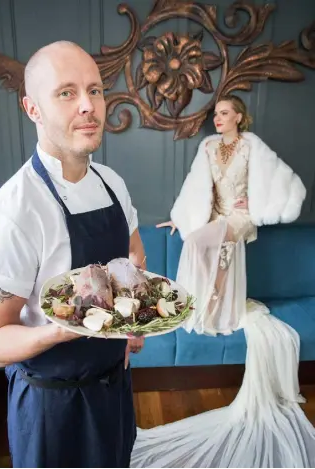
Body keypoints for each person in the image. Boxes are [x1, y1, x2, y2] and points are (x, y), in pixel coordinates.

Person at [0, 41, 145, 468]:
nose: (88, 105)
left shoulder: (113, 184)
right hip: (54, 408)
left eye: (96, 90)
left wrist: (130, 323)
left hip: (114, 390)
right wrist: (59, 331)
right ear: (32, 109)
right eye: (66, 93)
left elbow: (134, 256)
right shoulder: (13, 212)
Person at [130, 95, 315, 467]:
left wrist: (260, 205)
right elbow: (197, 185)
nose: (218, 118)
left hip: (240, 217)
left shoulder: (252, 146)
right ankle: (211, 307)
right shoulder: (208, 146)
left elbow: (278, 181)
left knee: (204, 242)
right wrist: (181, 218)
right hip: (216, 216)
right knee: (199, 239)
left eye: (225, 113)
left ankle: (207, 305)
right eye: (215, 113)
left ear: (239, 117)